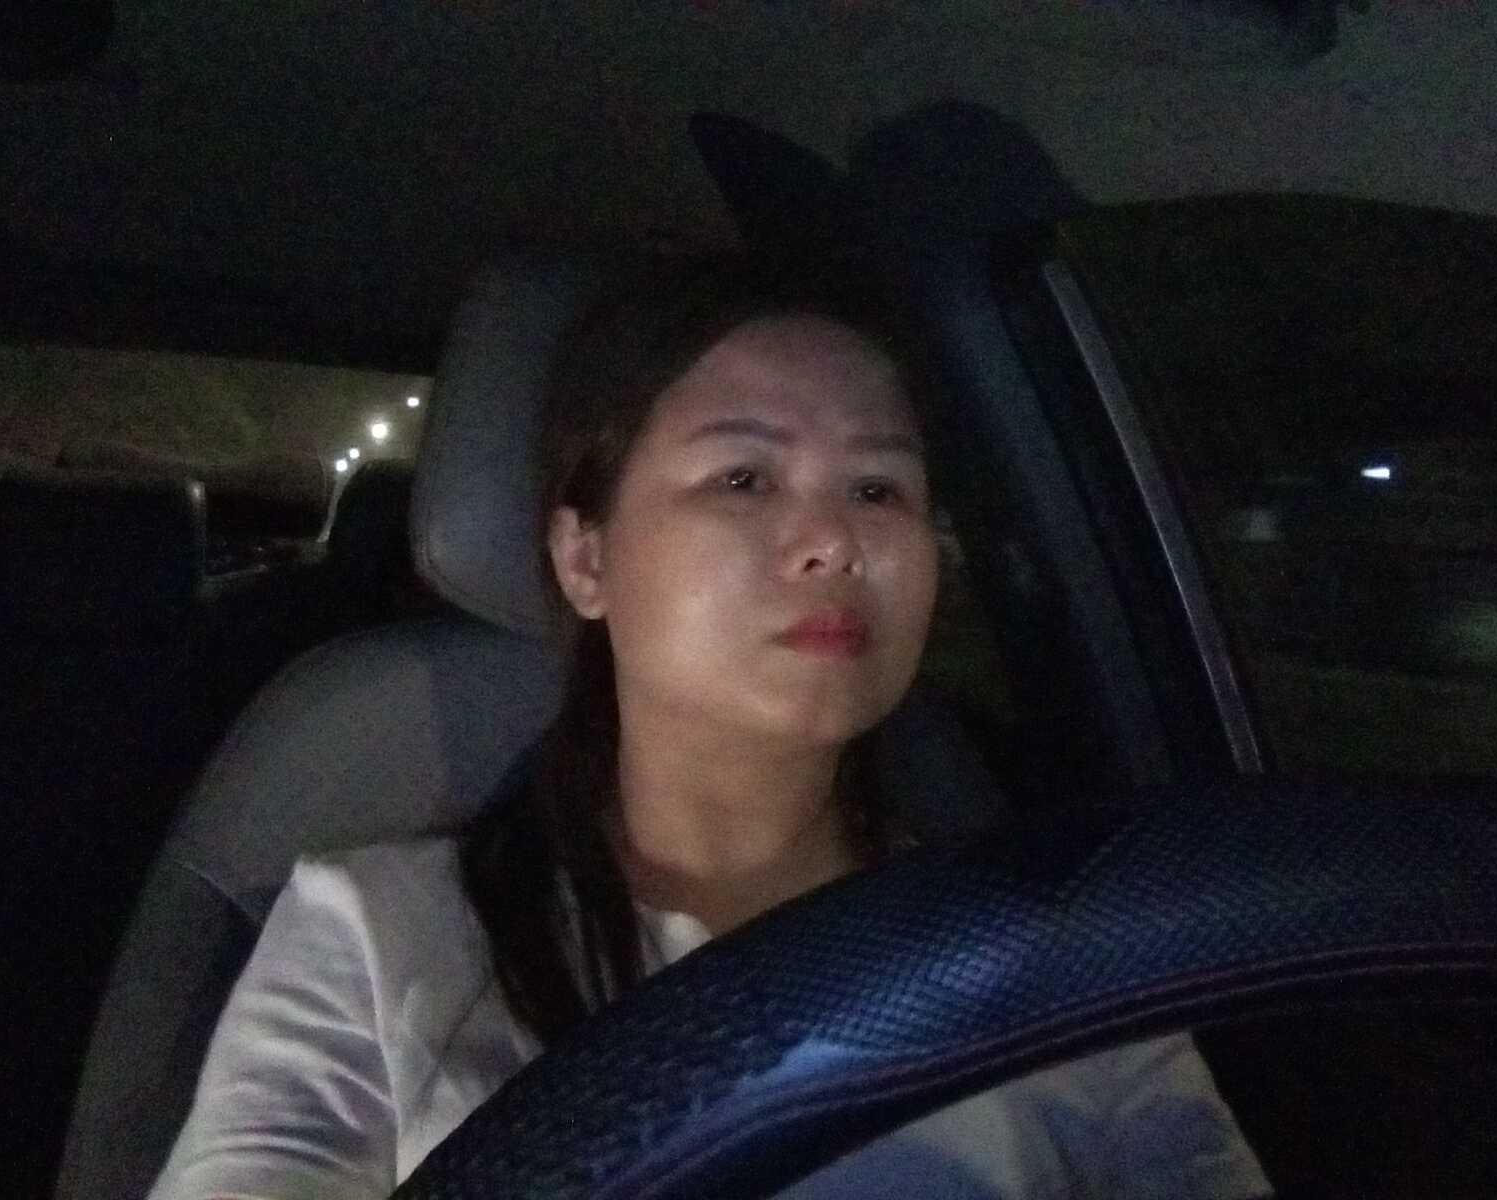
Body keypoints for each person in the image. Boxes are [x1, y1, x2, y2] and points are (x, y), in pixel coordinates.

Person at [148, 262, 1271, 1199]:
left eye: (878, 489)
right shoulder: (379, 939)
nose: (832, 542)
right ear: (585, 557)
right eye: (743, 477)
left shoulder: (1061, 966)